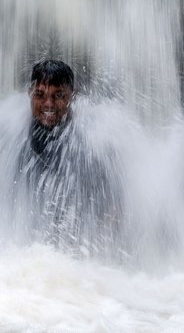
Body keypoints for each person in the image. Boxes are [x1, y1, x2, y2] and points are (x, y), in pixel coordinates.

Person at [12, 60, 123, 256]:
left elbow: (113, 208)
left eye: (58, 96)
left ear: (73, 96)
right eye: (40, 95)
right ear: (29, 94)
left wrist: (94, 253)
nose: (48, 104)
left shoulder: (92, 145)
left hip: (78, 251)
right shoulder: (14, 142)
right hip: (26, 255)